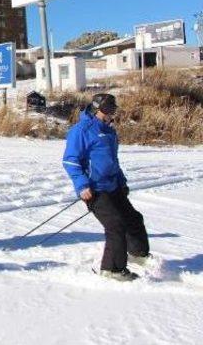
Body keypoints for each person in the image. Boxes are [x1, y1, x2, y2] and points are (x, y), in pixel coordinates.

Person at [63, 93, 151, 281]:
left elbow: (113, 161)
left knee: (134, 219)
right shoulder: (81, 130)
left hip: (113, 186)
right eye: (108, 109)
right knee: (115, 225)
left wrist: (122, 181)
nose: (112, 113)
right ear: (97, 109)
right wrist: (81, 185)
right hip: (94, 190)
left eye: (113, 109)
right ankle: (112, 269)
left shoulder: (109, 131)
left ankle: (138, 255)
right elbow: (70, 161)